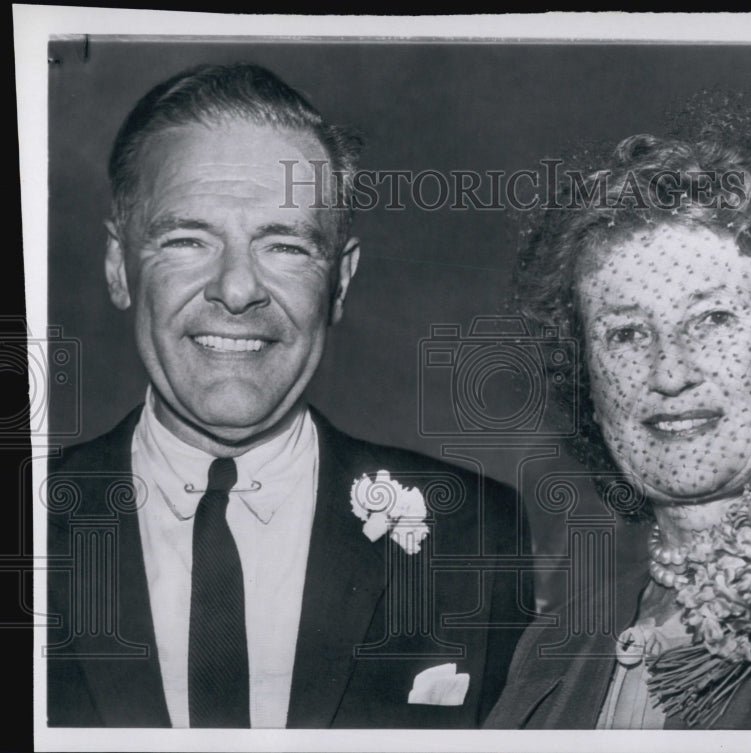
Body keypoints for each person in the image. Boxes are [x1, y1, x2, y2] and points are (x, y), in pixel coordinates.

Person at [46, 63, 530, 729]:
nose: (237, 289)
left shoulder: (478, 533)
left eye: (285, 245)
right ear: (116, 265)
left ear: (339, 280)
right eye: (188, 239)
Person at [487, 93, 751, 729]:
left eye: (712, 319)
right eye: (625, 334)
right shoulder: (553, 646)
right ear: (589, 381)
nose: (670, 371)